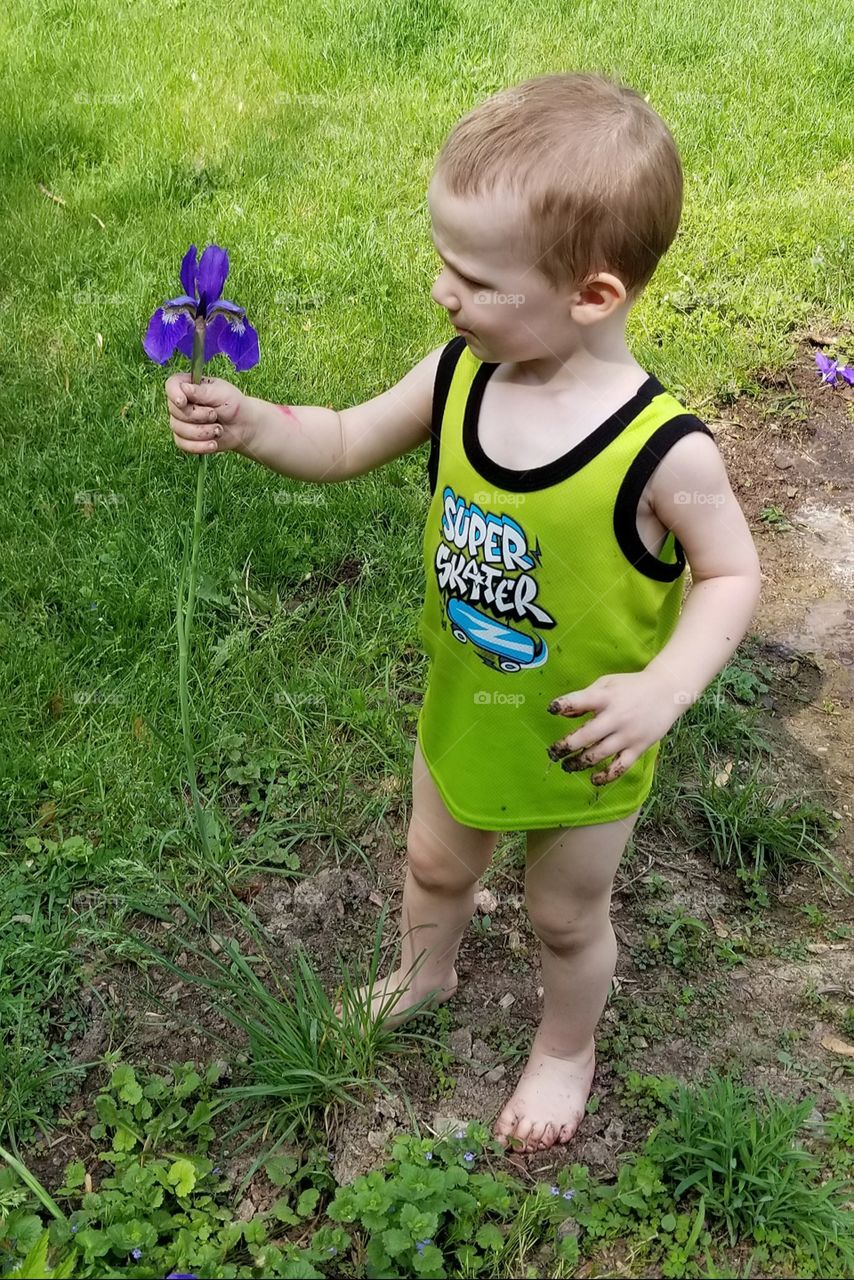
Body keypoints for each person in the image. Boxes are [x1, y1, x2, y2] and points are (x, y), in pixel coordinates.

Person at [164, 71, 762, 1154]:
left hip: (585, 738)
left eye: (475, 277)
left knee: (562, 914)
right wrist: (252, 420)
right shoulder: (459, 377)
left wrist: (662, 688)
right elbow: (343, 439)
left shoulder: (662, 450)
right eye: (444, 262)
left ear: (591, 294)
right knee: (435, 861)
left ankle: (564, 1046)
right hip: (464, 705)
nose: (444, 292)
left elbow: (729, 575)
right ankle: (421, 969)